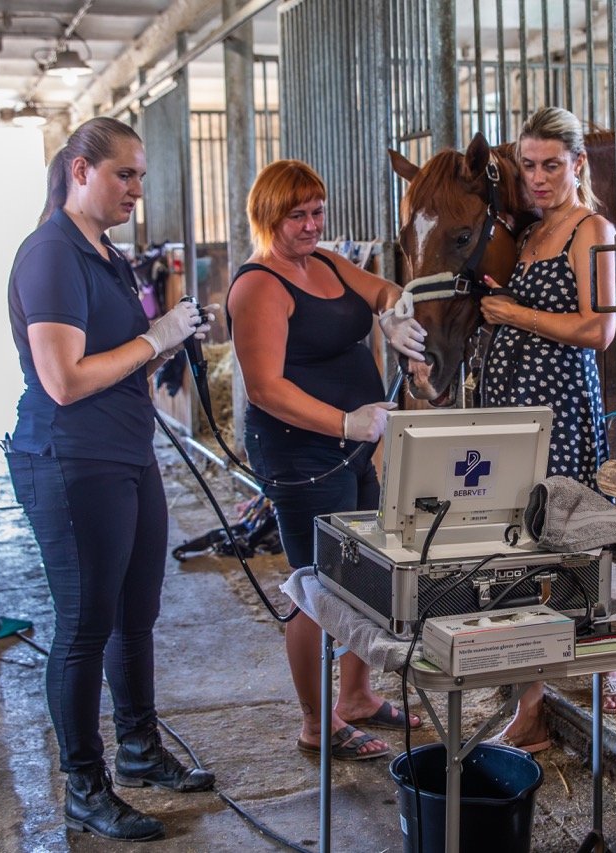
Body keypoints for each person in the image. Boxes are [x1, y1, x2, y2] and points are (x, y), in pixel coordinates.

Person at [5, 116, 215, 843]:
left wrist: (171, 342)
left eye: (140, 177)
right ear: (79, 170)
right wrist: (152, 339)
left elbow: (118, 359)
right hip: (70, 458)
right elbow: (64, 380)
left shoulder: (106, 254)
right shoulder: (50, 255)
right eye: (123, 174)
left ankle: (138, 748)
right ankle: (84, 787)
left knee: (137, 611)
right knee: (86, 622)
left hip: (126, 451)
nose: (135, 189)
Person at [227, 159, 427, 761]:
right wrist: (346, 421)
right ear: (268, 217)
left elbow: (384, 291)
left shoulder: (325, 263)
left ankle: (358, 698)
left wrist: (395, 318)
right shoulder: (259, 285)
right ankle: (316, 725)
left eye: (317, 212)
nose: (313, 225)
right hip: (302, 452)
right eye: (298, 216)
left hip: (354, 445)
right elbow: (264, 387)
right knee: (315, 587)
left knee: (364, 570)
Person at [478, 106, 616, 751]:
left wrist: (515, 313)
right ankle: (530, 698)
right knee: (522, 545)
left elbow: (599, 330)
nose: (537, 177)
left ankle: (580, 691)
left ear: (577, 165)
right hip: (516, 399)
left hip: (560, 400)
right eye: (528, 165)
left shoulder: (591, 229)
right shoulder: (531, 232)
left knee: (561, 542)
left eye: (552, 165)